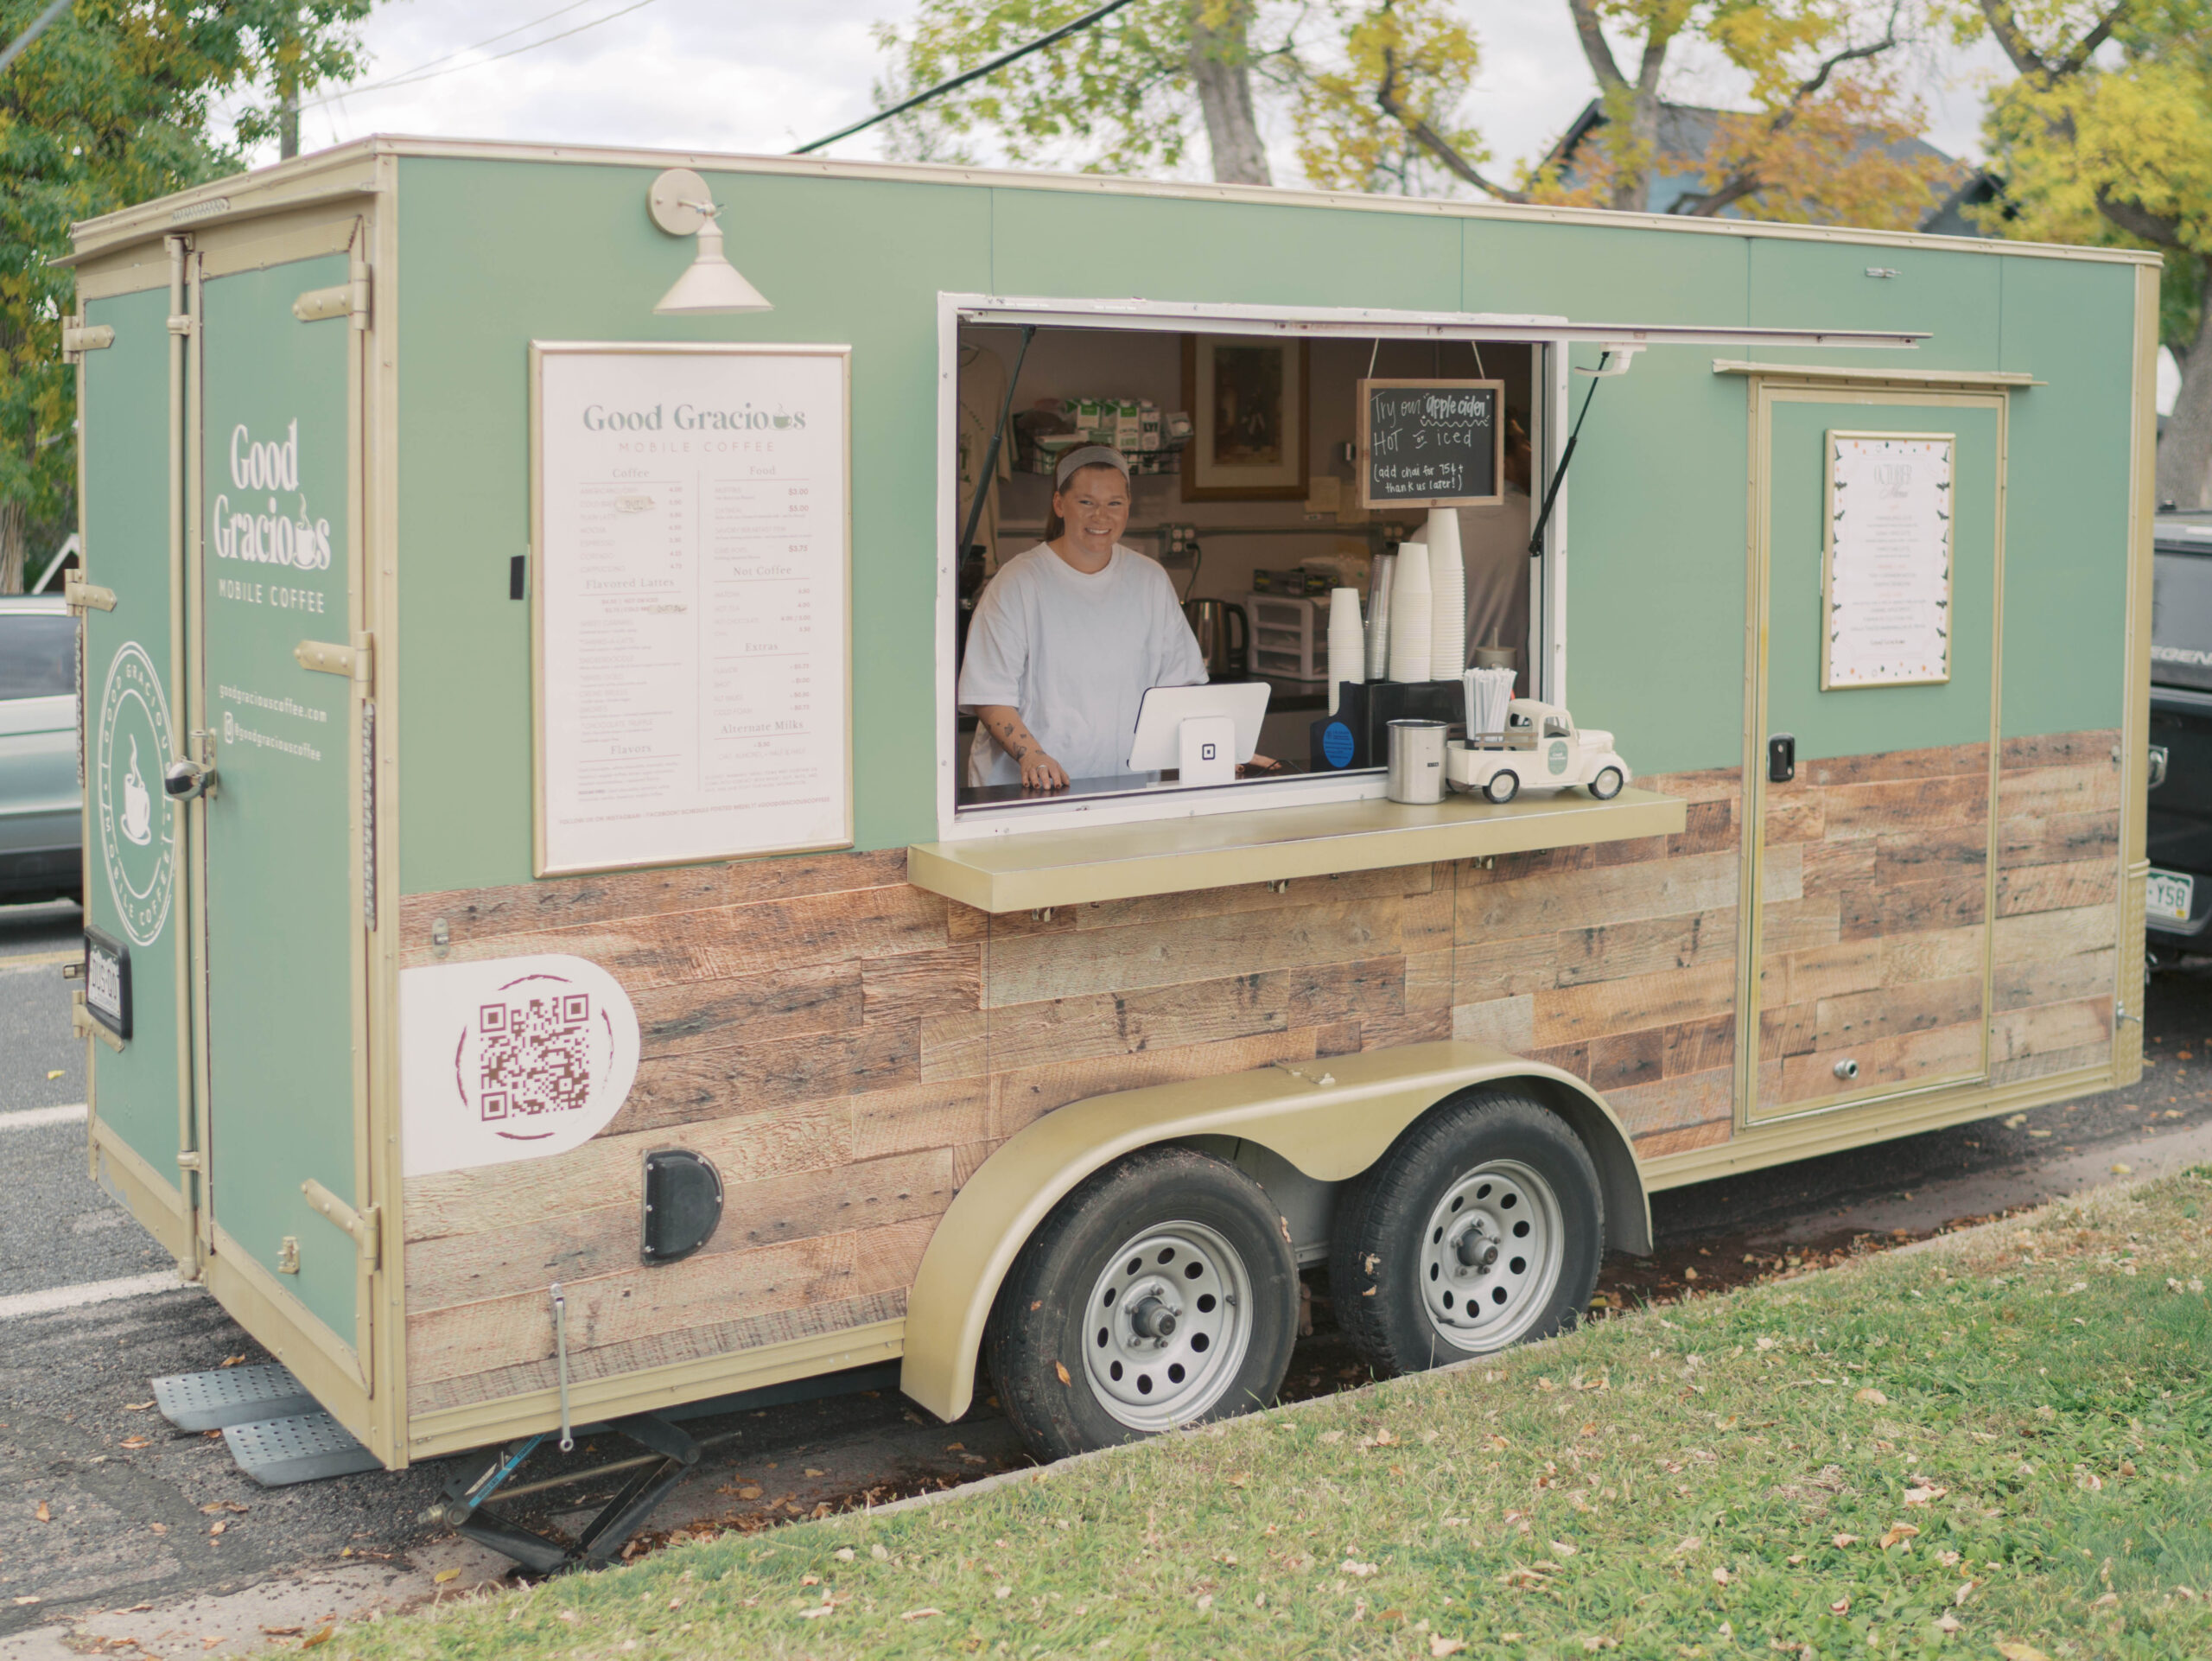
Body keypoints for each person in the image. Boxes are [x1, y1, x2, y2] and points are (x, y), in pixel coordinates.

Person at [960, 446, 1206, 791]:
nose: (1101, 517)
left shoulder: (1149, 579)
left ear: (1127, 507)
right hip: (1030, 792)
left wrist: (1221, 747)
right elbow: (990, 693)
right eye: (1086, 502)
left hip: (1124, 785)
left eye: (1114, 503)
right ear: (1060, 504)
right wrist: (1033, 756)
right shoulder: (1018, 582)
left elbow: (1179, 687)